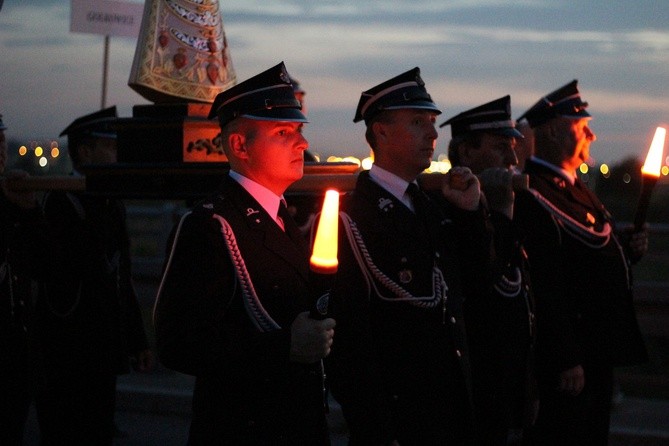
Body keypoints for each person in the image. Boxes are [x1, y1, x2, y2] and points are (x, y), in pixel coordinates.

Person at [153, 62, 336, 445]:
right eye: (284, 132)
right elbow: (178, 343)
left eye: (299, 131)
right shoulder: (210, 225)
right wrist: (283, 346)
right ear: (239, 145)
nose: (302, 143)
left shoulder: (285, 218)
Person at [327, 67, 494, 445]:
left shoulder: (433, 206)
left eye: (432, 122)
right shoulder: (354, 218)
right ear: (381, 132)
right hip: (400, 421)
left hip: (451, 411)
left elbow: (476, 286)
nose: (433, 133)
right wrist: (377, 431)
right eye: (418, 122)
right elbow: (350, 344)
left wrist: (470, 216)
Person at [514, 80, 648, 445]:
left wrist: (626, 249)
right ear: (555, 132)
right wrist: (565, 354)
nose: (591, 134)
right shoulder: (535, 191)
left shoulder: (575, 188)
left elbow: (590, 253)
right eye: (581, 125)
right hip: (572, 357)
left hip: (594, 351)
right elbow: (545, 278)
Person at [35, 106, 154, 445]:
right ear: (85, 152)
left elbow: (122, 275)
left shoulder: (109, 202)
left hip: (103, 346)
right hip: (68, 347)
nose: (117, 154)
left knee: (99, 428)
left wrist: (136, 339)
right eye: (109, 146)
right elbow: (64, 274)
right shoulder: (61, 202)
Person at [442, 95, 537, 445]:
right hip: (476, 391)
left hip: (509, 388)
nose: (513, 159)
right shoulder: (449, 213)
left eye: (514, 147)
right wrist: (498, 212)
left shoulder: (513, 205)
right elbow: (486, 285)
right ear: (466, 153)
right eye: (501, 148)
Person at [0, 113, 47, 445]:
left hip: (13, 350)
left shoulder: (12, 200)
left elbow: (42, 264)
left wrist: (27, 210)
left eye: (1, 140)